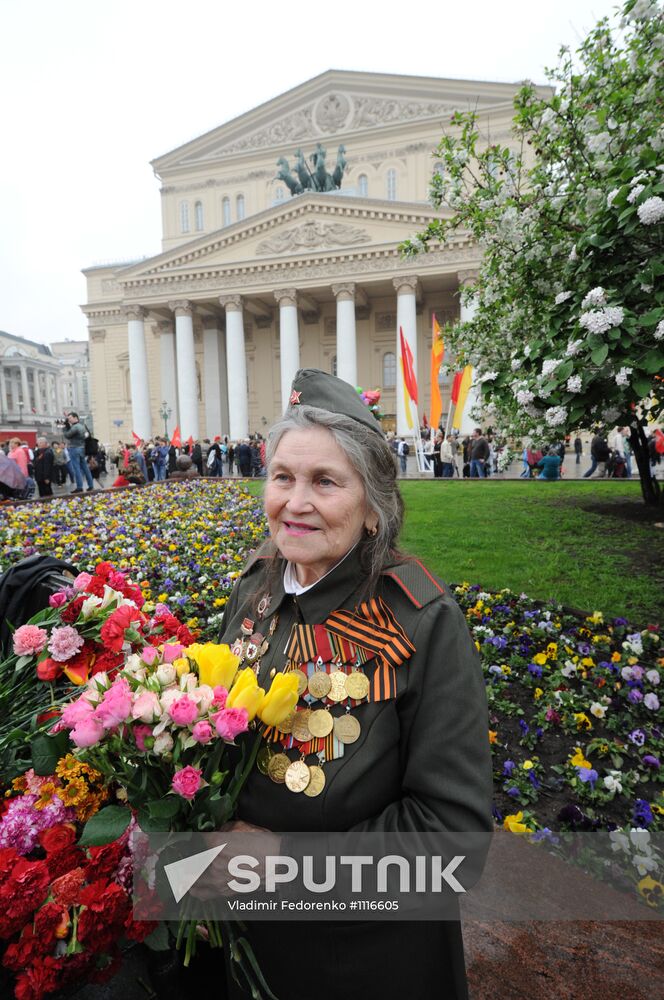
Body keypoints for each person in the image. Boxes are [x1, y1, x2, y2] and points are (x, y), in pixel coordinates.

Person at [219, 368, 492, 1000]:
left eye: (325, 482)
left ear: (372, 508)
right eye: (282, 477)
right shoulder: (254, 588)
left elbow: (452, 835)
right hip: (243, 942)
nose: (295, 502)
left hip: (363, 960)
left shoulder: (422, 621)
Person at [62, 412, 95, 492]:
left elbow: (67, 435)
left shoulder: (75, 427)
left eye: (70, 418)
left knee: (76, 469)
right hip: (82, 448)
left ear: (75, 417)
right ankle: (91, 485)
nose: (69, 420)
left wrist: (65, 427)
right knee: (85, 468)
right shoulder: (82, 426)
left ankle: (79, 487)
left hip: (74, 448)